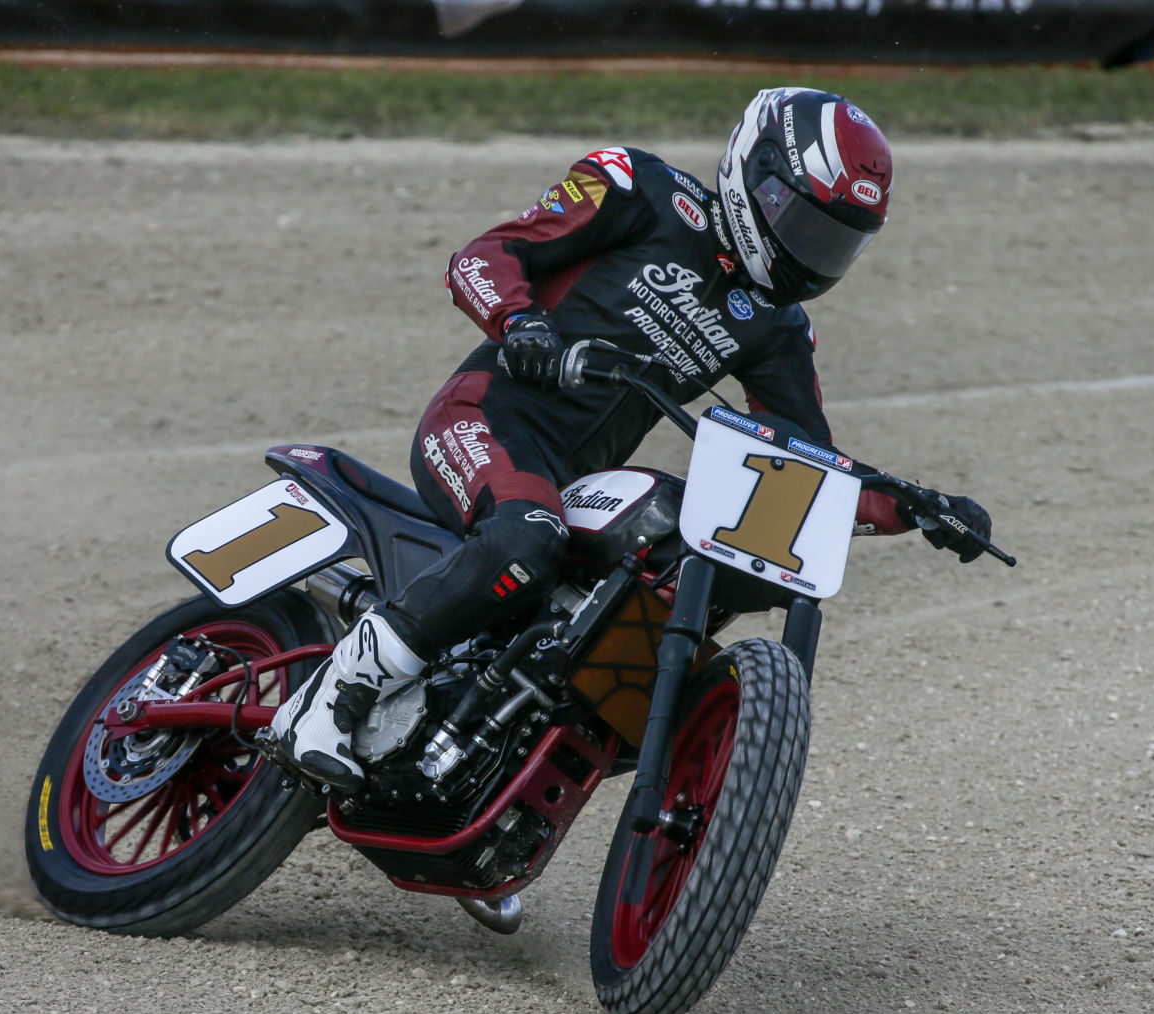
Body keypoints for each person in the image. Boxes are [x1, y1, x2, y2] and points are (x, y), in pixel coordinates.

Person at [270, 86, 991, 791]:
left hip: (573, 479)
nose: (813, 253)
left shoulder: (776, 327)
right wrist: (523, 327)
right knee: (528, 537)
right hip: (486, 420)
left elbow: (804, 463)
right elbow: (484, 258)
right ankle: (331, 696)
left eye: (836, 241)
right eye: (804, 224)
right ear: (756, 176)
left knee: (633, 598)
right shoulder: (638, 187)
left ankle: (496, 779)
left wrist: (913, 508)